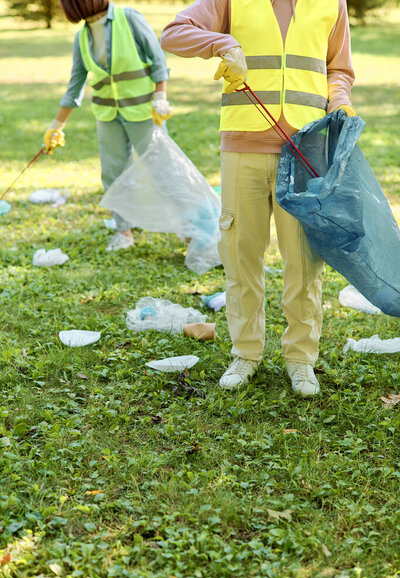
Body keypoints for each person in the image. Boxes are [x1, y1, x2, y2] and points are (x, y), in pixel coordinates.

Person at [161, 0, 356, 395]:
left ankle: (301, 360)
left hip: (306, 148)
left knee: (303, 260)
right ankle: (245, 353)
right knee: (240, 254)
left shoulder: (331, 3)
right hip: (242, 146)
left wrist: (339, 99)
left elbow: (339, 68)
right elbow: (173, 33)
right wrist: (222, 44)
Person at [44, 0, 172, 252]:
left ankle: (190, 228)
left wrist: (161, 97)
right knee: (113, 173)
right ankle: (123, 231)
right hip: (107, 114)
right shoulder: (82, 36)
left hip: (143, 111)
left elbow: (157, 59)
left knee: (162, 168)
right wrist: (56, 125)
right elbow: (76, 84)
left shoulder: (129, 17)